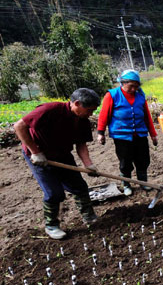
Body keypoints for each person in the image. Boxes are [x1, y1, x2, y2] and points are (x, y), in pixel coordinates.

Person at [13, 88, 101, 240]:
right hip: (40, 157)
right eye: (89, 110)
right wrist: (35, 152)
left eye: (93, 111)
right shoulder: (50, 110)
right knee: (54, 193)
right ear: (77, 103)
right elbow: (19, 126)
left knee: (79, 186)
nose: (91, 114)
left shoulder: (82, 121)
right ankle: (51, 225)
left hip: (62, 154)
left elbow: (81, 144)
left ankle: (89, 216)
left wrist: (88, 164)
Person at [97, 70, 158, 196]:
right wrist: (100, 132)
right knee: (125, 161)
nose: (134, 89)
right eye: (131, 86)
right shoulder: (112, 95)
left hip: (140, 134)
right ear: (123, 83)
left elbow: (146, 116)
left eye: (136, 86)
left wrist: (153, 134)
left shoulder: (140, 96)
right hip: (121, 136)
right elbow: (104, 115)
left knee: (143, 159)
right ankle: (126, 184)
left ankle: (143, 182)